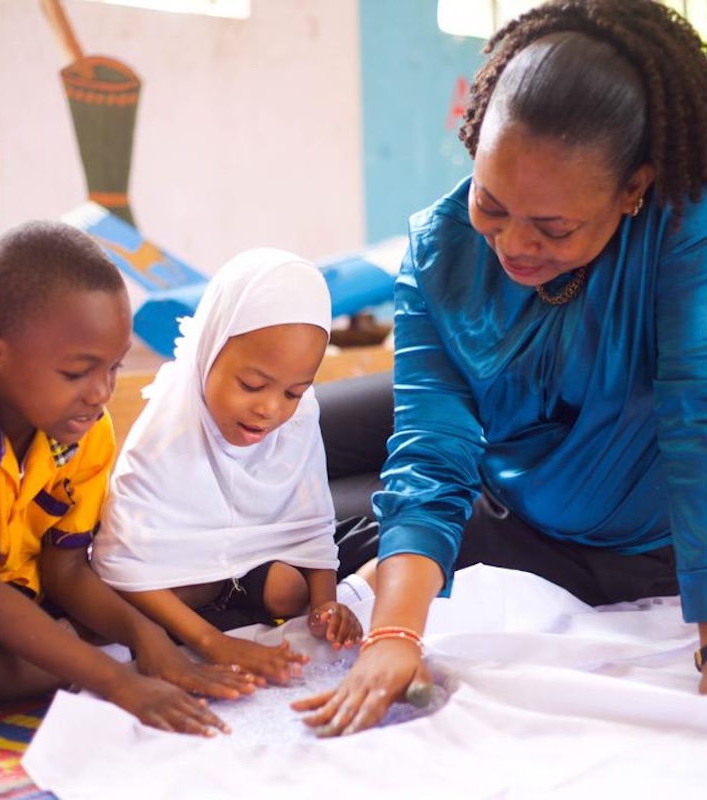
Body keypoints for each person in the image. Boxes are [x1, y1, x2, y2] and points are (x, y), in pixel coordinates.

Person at [292, 0, 707, 735]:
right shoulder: (440, 250)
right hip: (495, 449)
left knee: (313, 543)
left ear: (634, 189)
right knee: (279, 440)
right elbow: (429, 453)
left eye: (554, 228)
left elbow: (694, 423)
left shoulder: (681, 233)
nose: (512, 244)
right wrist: (395, 638)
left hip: (602, 542)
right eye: (492, 202)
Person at [0, 220, 257, 735]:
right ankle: (71, 657)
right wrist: (122, 683)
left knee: (152, 588)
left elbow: (67, 570)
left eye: (113, 368)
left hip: (27, 603)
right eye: (78, 372)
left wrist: (146, 639)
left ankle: (59, 656)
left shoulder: (86, 430)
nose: (100, 393)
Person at [91, 248, 366, 686]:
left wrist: (324, 606)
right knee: (117, 614)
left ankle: (231, 604)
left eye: (294, 393)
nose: (271, 409)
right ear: (210, 350)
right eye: (252, 385)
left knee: (288, 588)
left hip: (242, 575)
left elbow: (310, 523)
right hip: (169, 588)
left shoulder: (298, 419)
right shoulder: (167, 432)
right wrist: (214, 644)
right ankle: (209, 620)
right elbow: (121, 565)